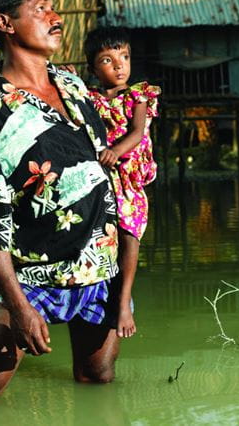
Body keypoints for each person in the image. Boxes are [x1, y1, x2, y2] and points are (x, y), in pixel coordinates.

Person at [0, 0, 122, 405]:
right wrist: (19, 305)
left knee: (97, 377)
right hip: (34, 278)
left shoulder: (74, 87)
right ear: (6, 23)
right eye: (41, 10)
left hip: (100, 264)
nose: (56, 18)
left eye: (53, 8)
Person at [84, 26, 161, 339]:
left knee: (130, 233)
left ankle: (124, 301)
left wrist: (115, 151)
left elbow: (137, 132)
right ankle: (93, 295)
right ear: (92, 68)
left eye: (124, 57)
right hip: (100, 177)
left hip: (127, 176)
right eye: (107, 60)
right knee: (100, 235)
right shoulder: (89, 98)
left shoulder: (138, 94)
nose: (118, 65)